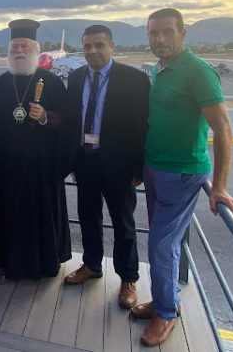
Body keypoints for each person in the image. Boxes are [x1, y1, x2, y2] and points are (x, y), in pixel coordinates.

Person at [133, 8, 233, 347]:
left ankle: (166, 312)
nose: (159, 39)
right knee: (165, 242)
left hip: (181, 173)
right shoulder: (161, 69)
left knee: (161, 244)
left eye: (167, 32)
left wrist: (220, 186)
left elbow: (223, 129)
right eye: (153, 33)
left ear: (182, 33)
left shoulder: (198, 71)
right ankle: (167, 299)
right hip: (155, 168)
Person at [61, 25, 150, 309]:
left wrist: (139, 167)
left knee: (123, 224)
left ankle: (128, 277)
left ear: (111, 46)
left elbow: (143, 126)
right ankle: (91, 265)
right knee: (88, 217)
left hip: (118, 165)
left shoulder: (134, 79)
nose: (93, 51)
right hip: (85, 160)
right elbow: (71, 119)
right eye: (87, 46)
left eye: (99, 45)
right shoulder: (76, 77)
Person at [0, 19, 71, 280]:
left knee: (40, 215)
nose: (19, 51)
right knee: (10, 213)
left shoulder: (52, 82)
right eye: (15, 47)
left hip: (41, 166)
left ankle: (44, 264)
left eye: (24, 46)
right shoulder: (1, 84)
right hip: (9, 165)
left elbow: (67, 120)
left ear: (35, 48)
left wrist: (45, 117)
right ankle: (8, 261)